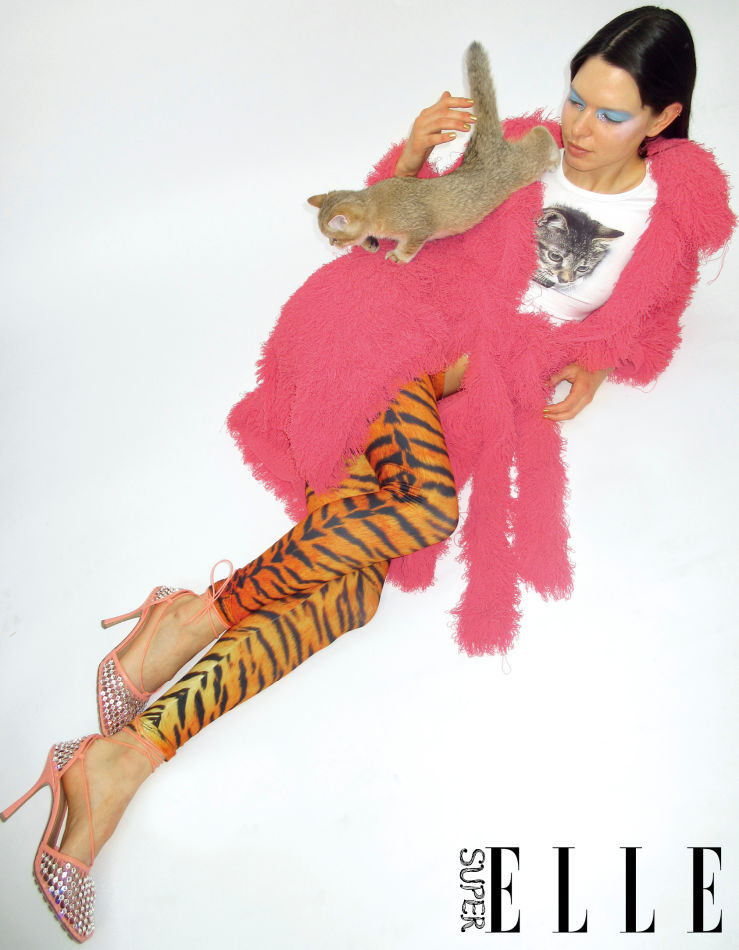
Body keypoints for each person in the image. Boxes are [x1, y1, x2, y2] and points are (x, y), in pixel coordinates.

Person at [1, 7, 734, 943]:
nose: (579, 127)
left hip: (453, 391)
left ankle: (122, 758)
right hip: (386, 327)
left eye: (611, 114)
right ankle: (195, 616)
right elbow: (401, 215)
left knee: (351, 597)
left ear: (664, 118)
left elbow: (650, 322)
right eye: (574, 98)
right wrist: (417, 155)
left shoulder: (667, 221)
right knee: (424, 511)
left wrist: (594, 360)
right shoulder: (524, 148)